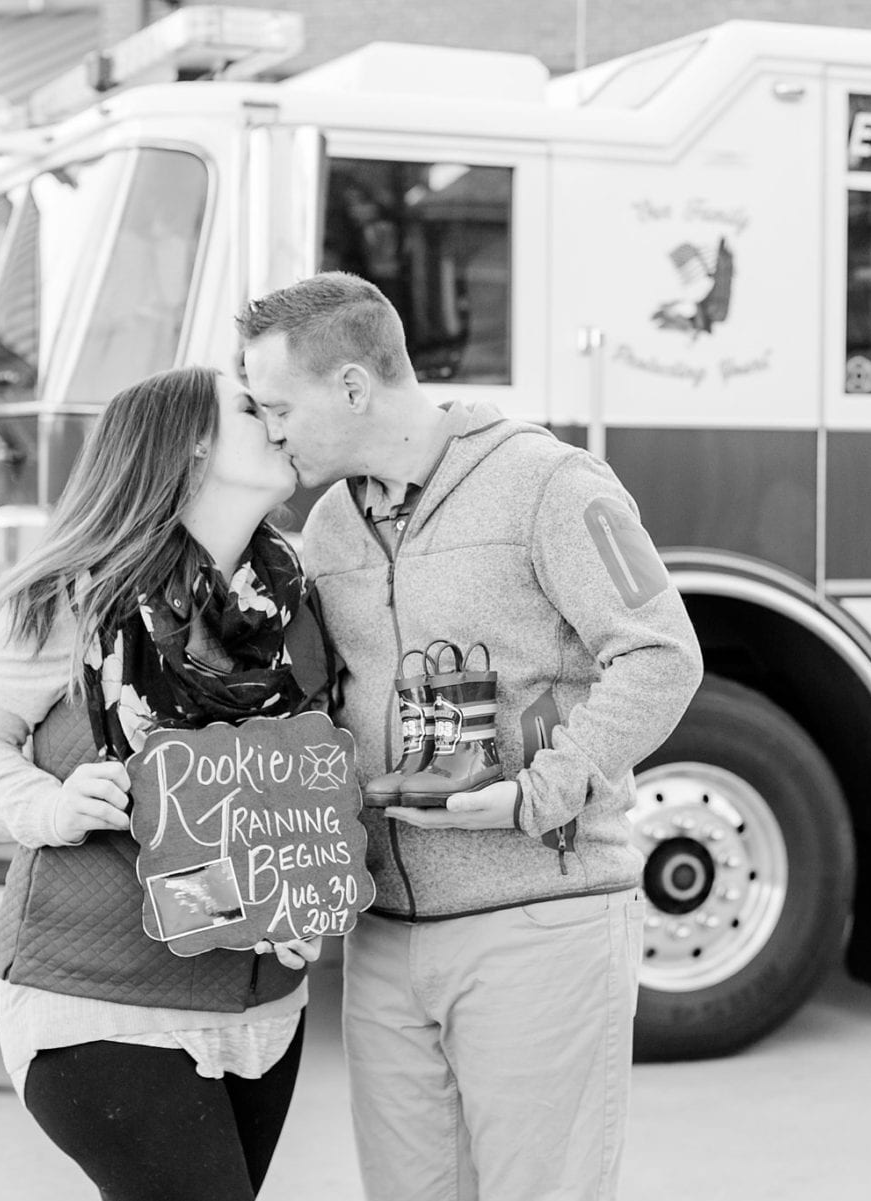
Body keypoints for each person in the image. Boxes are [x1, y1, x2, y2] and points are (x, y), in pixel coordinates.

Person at [239, 272, 703, 1200]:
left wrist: (543, 789)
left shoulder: (547, 482)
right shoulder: (328, 523)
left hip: (537, 919)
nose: (269, 429)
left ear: (354, 388)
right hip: (384, 940)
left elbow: (663, 654)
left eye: (278, 406)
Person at [0, 365, 333, 1201]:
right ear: (191, 447)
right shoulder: (70, 598)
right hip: (98, 998)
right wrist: (51, 804)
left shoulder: (293, 602)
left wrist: (303, 900)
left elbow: (287, 788)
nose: (280, 419)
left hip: (261, 1008)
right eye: (253, 408)